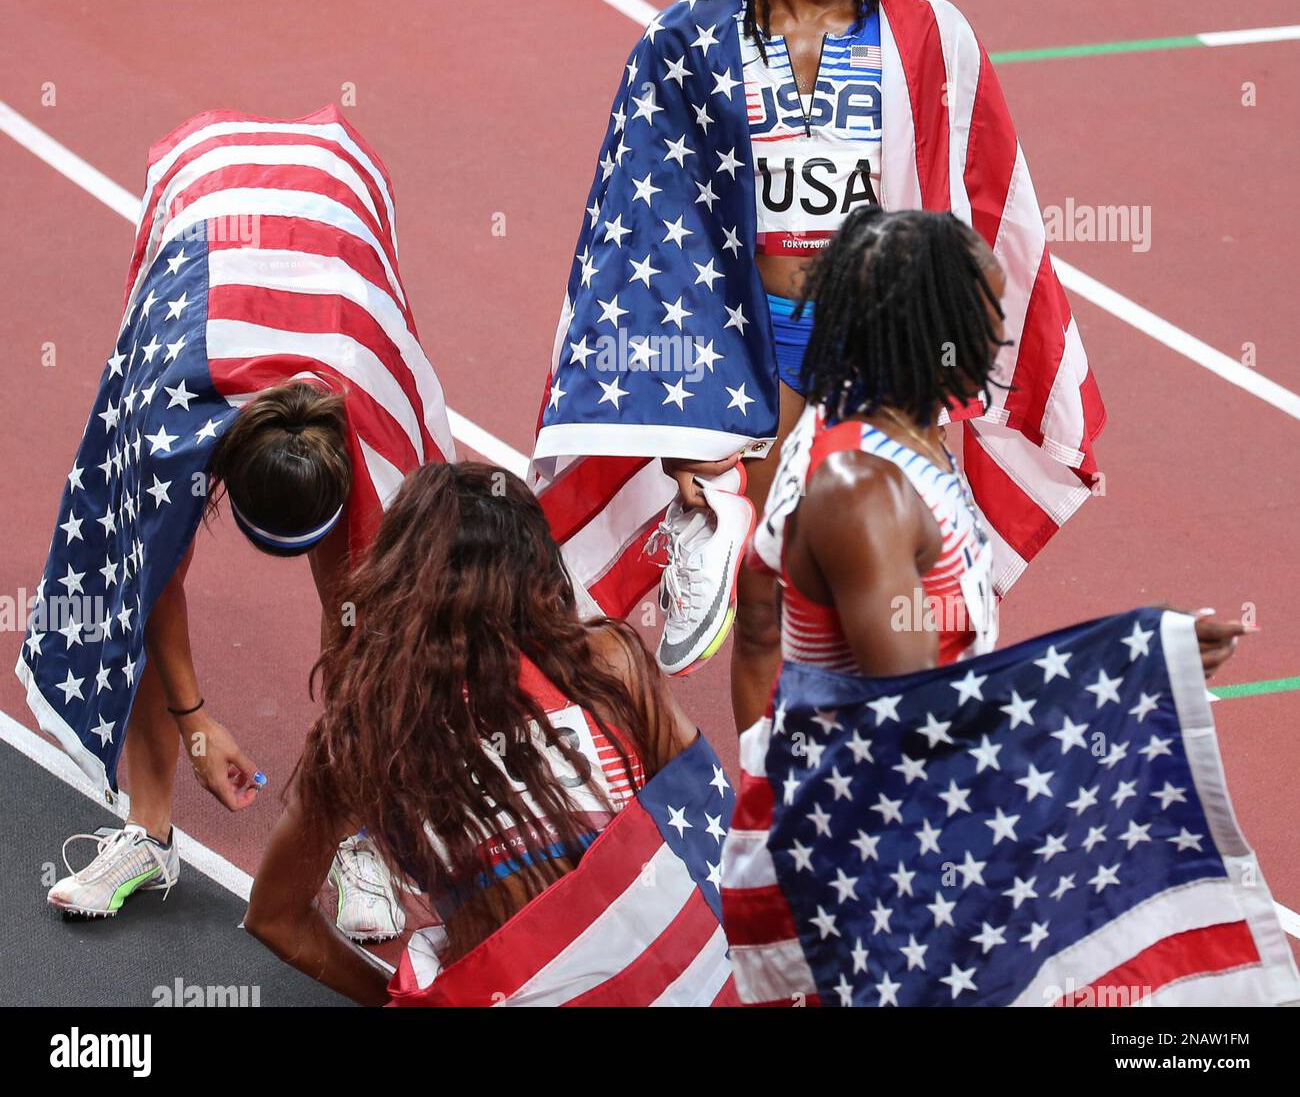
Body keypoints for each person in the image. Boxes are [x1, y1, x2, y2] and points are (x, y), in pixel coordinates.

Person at [529, 0, 1105, 734]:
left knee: (875, 579)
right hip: (753, 349)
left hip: (870, 350)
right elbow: (644, 227)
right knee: (759, 605)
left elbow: (976, 197)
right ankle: (766, 777)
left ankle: (857, 777)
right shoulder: (691, 40)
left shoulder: (921, 31)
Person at [19, 106, 454, 940]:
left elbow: (386, 619)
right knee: (141, 559)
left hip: (336, 206)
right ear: (217, 466)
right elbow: (145, 581)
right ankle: (147, 832)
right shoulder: (166, 415)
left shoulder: (370, 395)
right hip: (200, 206)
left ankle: (359, 834)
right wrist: (194, 724)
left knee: (363, 600)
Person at [245, 463, 734, 1007]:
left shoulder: (362, 741)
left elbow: (274, 918)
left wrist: (394, 999)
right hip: (693, 981)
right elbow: (713, 822)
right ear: (537, 566)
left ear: (397, 582)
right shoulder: (608, 667)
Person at [752, 206, 1246, 682]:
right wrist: (1115, 659)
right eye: (987, 317)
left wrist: (1126, 645)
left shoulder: (916, 443)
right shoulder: (863, 494)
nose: (1000, 339)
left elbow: (948, 681)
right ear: (930, 334)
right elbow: (913, 714)